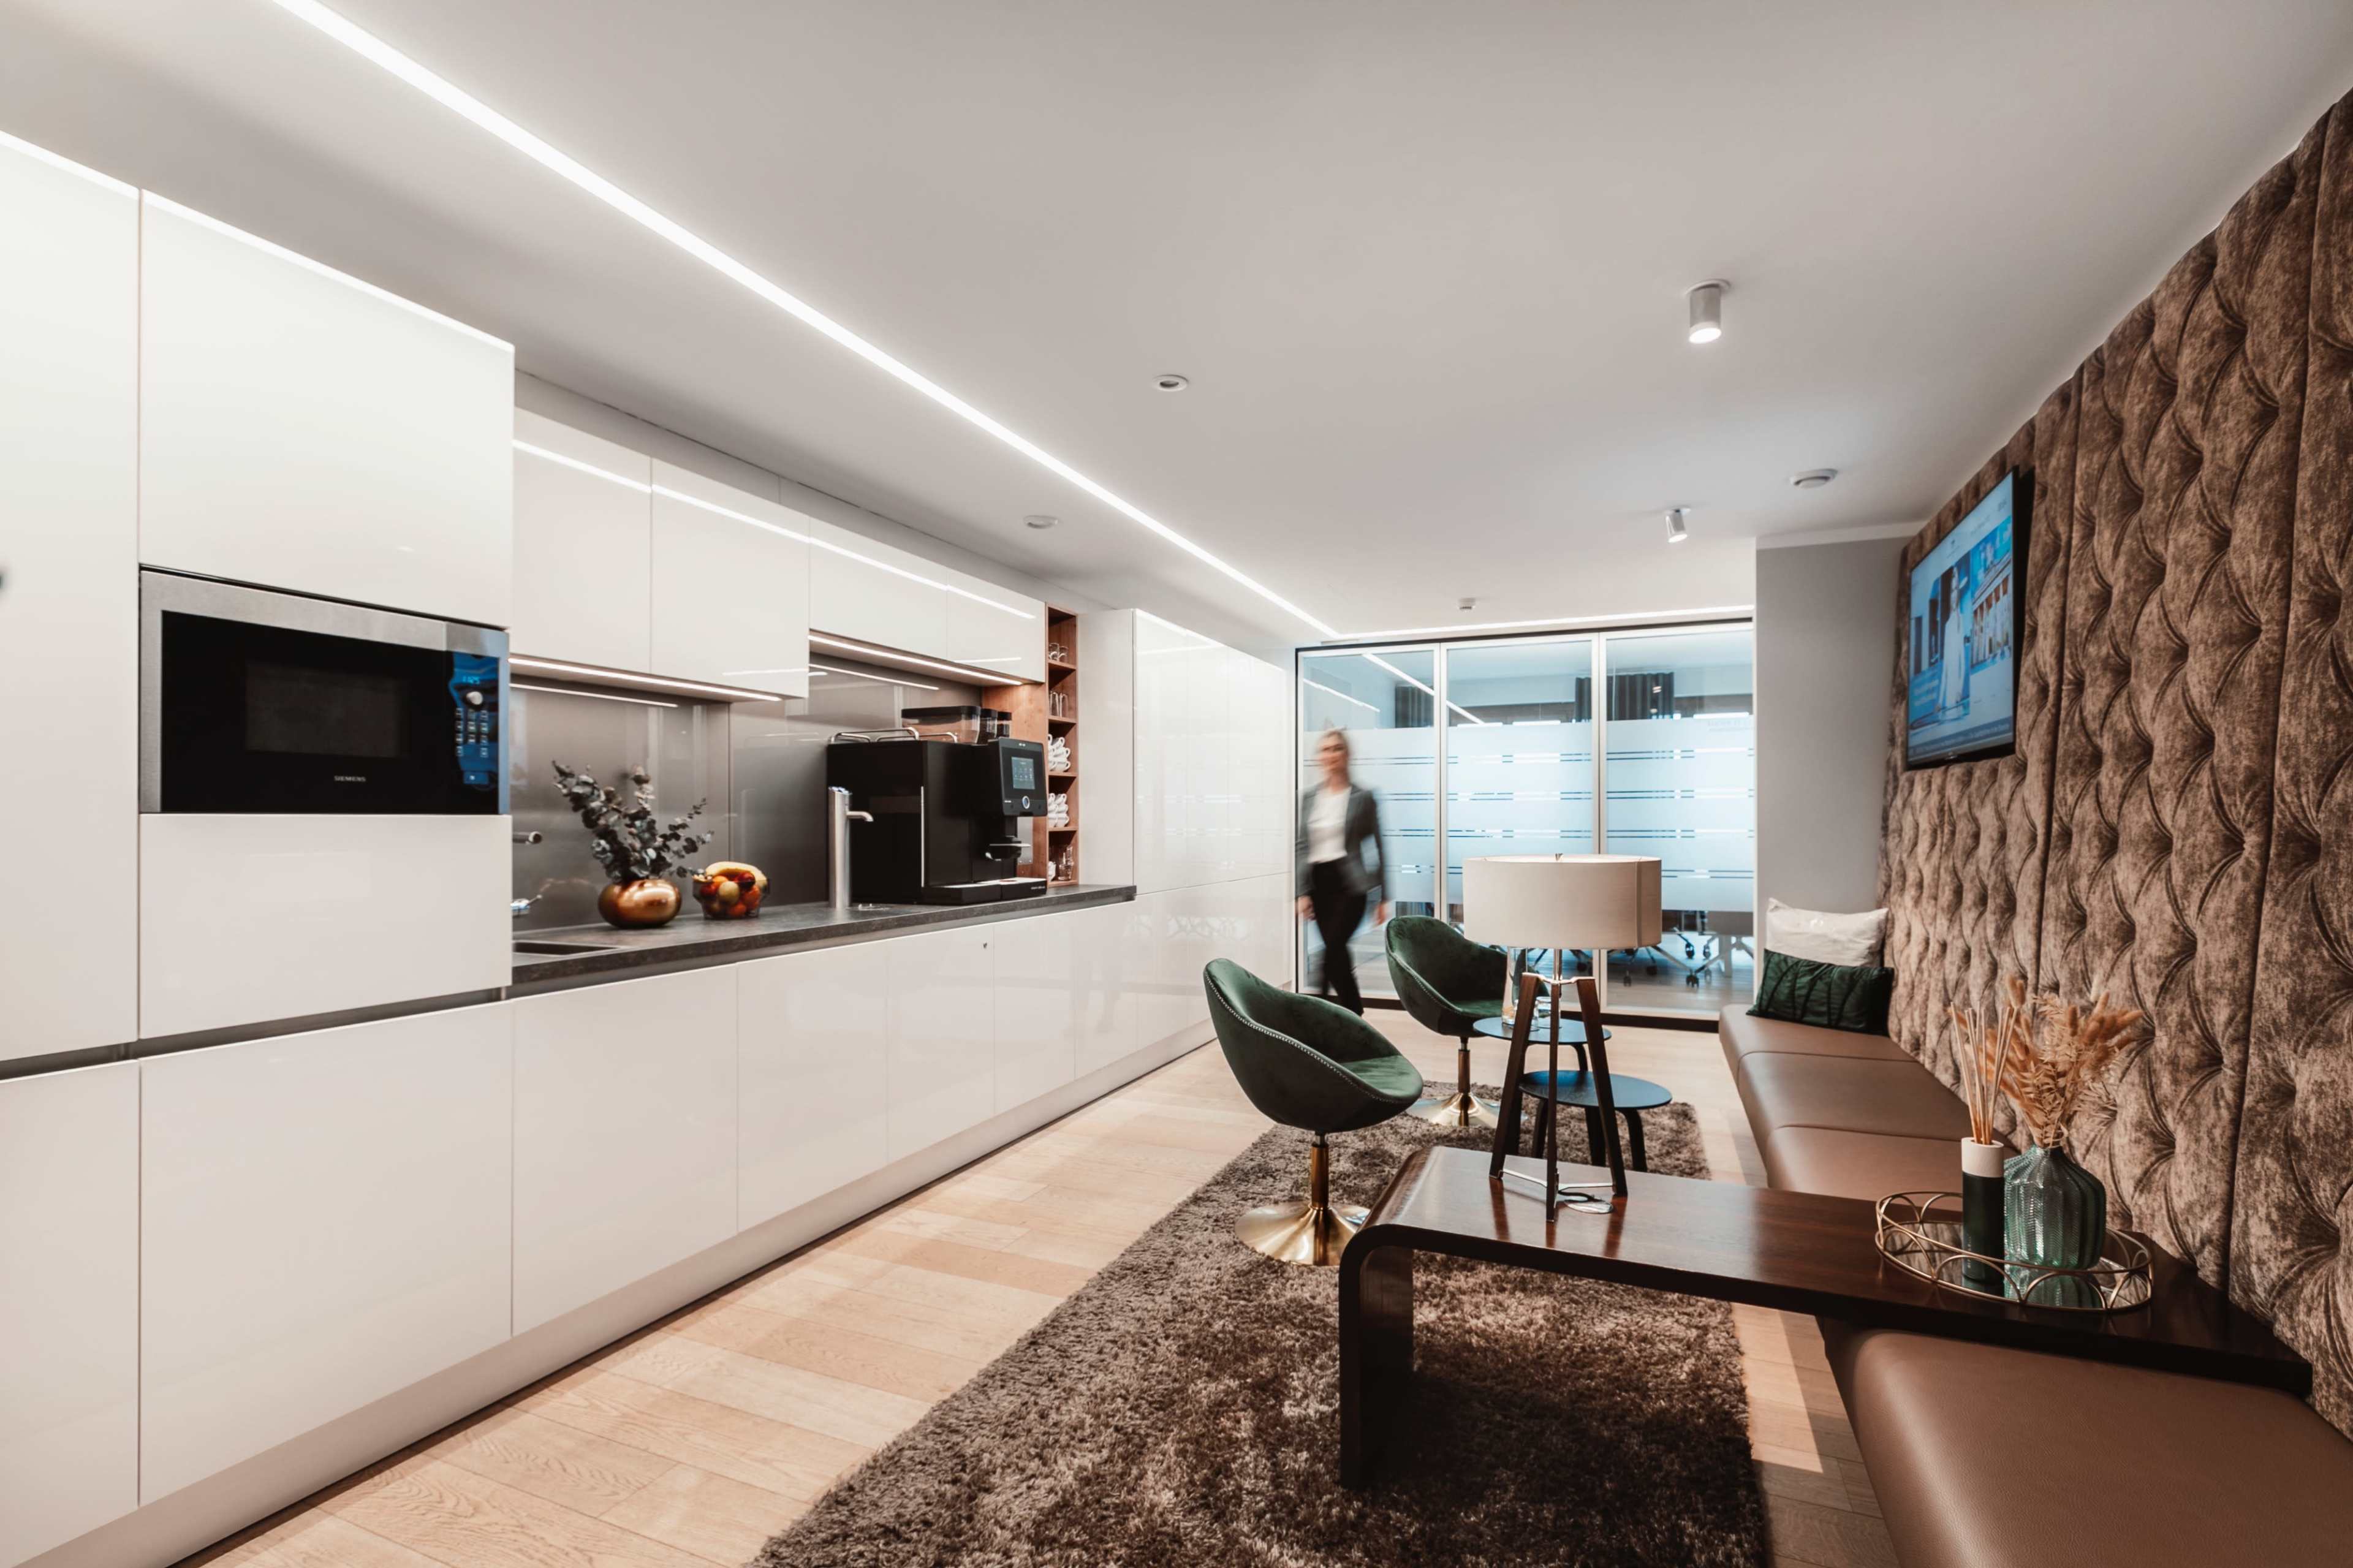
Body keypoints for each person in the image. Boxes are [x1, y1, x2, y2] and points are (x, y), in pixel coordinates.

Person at [1296, 728, 1388, 1014]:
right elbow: (1301, 846)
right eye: (1325, 750)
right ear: (1319, 757)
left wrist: (1384, 896)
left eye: (1337, 748)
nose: (1331, 755)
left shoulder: (1364, 797)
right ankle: (1353, 1013)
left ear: (1347, 754)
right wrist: (1301, 892)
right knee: (1336, 953)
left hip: (1350, 885)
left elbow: (1379, 845)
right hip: (1319, 883)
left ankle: (1320, 1015)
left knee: (1332, 949)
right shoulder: (1309, 798)